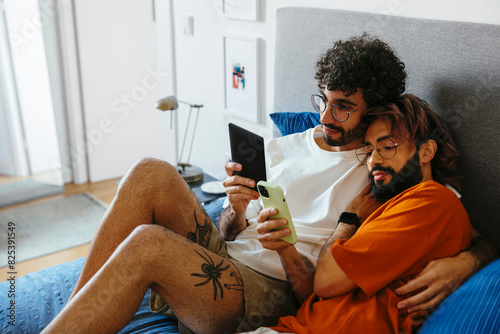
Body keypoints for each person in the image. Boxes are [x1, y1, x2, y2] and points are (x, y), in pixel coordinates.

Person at [40, 35, 496, 334]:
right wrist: (235, 212)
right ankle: (79, 313)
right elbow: (226, 235)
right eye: (323, 99)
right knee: (149, 171)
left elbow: (457, 221)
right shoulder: (284, 146)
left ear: (374, 109)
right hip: (225, 261)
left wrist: (468, 261)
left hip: (269, 289)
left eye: (343, 107)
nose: (325, 117)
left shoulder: (381, 164)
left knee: (145, 244)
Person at [244, 94, 472, 334]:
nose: (373, 161)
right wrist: (285, 248)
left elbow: (325, 282)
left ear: (426, 151)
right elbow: (321, 296)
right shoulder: (393, 205)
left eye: (387, 147)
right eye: (370, 149)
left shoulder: (428, 201)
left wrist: (349, 218)